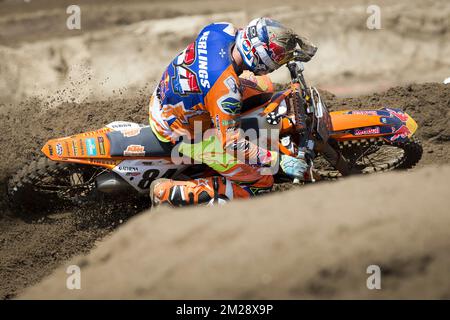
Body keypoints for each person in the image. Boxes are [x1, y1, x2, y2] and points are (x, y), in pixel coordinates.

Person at [148, 17, 317, 207]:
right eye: (276, 59)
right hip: (183, 133)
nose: (276, 64)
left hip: (164, 98)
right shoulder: (227, 90)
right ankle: (167, 193)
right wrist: (277, 160)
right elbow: (231, 143)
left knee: (264, 86)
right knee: (262, 181)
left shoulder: (220, 30)